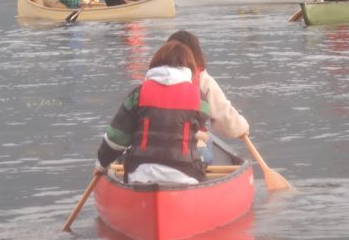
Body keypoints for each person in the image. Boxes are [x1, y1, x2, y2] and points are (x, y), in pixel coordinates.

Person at [94, 41, 209, 184]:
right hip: (186, 175)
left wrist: (101, 165)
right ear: (189, 67)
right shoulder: (200, 98)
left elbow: (116, 138)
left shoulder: (138, 93)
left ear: (156, 62)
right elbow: (200, 123)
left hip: (140, 175)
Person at [167, 30, 250, 164]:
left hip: (152, 149)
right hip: (192, 149)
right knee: (205, 140)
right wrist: (241, 129)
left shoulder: (153, 79)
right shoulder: (203, 80)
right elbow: (224, 118)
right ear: (196, 53)